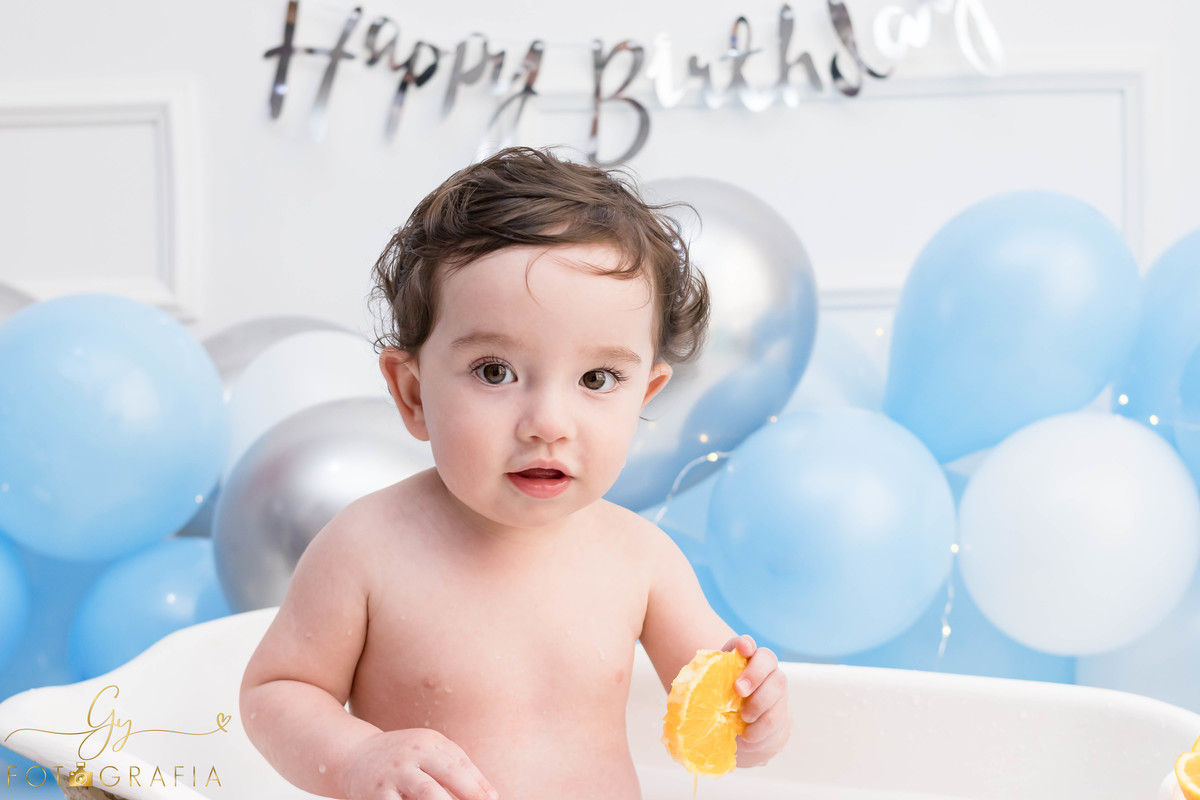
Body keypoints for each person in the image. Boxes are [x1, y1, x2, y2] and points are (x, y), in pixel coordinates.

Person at [239, 146, 791, 800]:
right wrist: (359, 757)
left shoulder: (641, 560)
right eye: (495, 372)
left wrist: (757, 720)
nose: (547, 423)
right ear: (412, 392)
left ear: (645, 395)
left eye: (597, 378)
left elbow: (722, 720)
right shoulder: (366, 548)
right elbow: (274, 693)